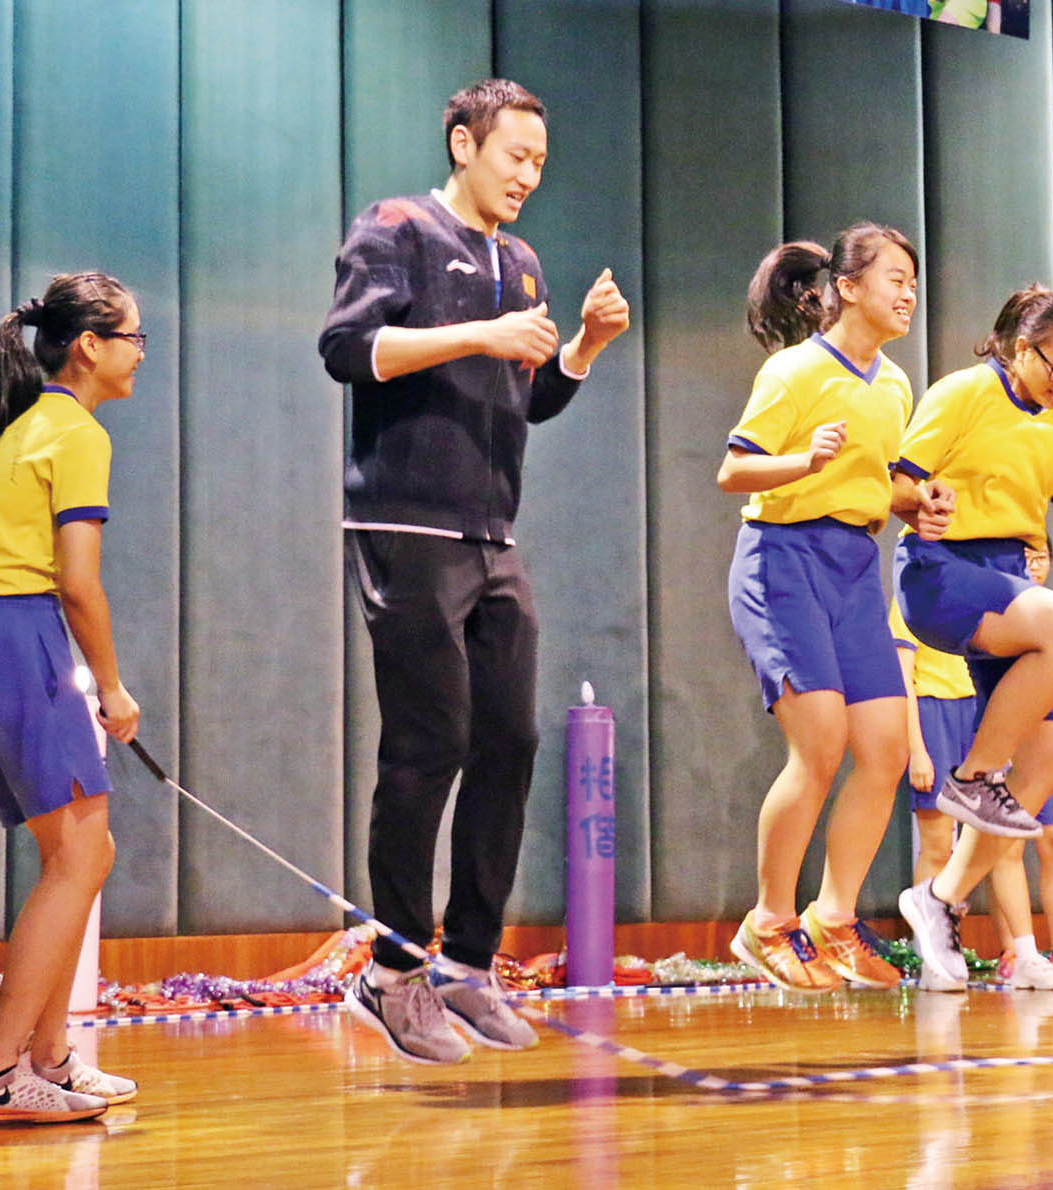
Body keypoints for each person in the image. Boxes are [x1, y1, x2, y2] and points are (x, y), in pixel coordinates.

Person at [320, 78, 632, 1063]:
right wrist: (480, 334)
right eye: (514, 158)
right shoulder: (396, 226)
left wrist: (581, 347)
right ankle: (393, 969)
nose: (529, 177)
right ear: (462, 143)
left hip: (492, 533)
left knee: (510, 736)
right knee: (430, 739)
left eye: (539, 163)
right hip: (403, 523)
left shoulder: (523, 260)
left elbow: (524, 400)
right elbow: (346, 348)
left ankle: (469, 963)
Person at [0, 272, 145, 1124]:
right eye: (133, 337)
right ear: (89, 346)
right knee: (85, 856)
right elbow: (78, 584)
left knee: (78, 853)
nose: (141, 354)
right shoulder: (76, 431)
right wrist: (116, 689)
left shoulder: (2, 433)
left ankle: (51, 1059)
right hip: (17, 643)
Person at [890, 282, 1053, 993]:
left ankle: (938, 900)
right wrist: (921, 502)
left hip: (1010, 573)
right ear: (1019, 347)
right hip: (941, 569)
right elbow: (898, 483)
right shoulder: (964, 393)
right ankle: (973, 779)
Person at [719, 221, 935, 992]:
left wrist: (920, 503)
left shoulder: (896, 382)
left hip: (852, 566)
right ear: (847, 288)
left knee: (883, 749)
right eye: (895, 278)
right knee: (819, 747)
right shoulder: (795, 372)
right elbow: (734, 471)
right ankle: (767, 923)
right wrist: (801, 461)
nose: (908, 292)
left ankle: (833, 921)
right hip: (782, 561)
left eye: (914, 280)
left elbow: (886, 482)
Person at [987, 547, 1053, 990]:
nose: (1033, 563)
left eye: (1042, 556)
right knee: (1004, 844)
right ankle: (1015, 948)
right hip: (1006, 740)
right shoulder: (991, 615)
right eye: (1025, 556)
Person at [893, 598, 973, 885]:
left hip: (979, 712)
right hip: (934, 713)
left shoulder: (977, 587)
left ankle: (1013, 933)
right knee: (938, 847)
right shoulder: (910, 594)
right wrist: (917, 750)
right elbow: (902, 679)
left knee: (994, 849)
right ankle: (928, 931)